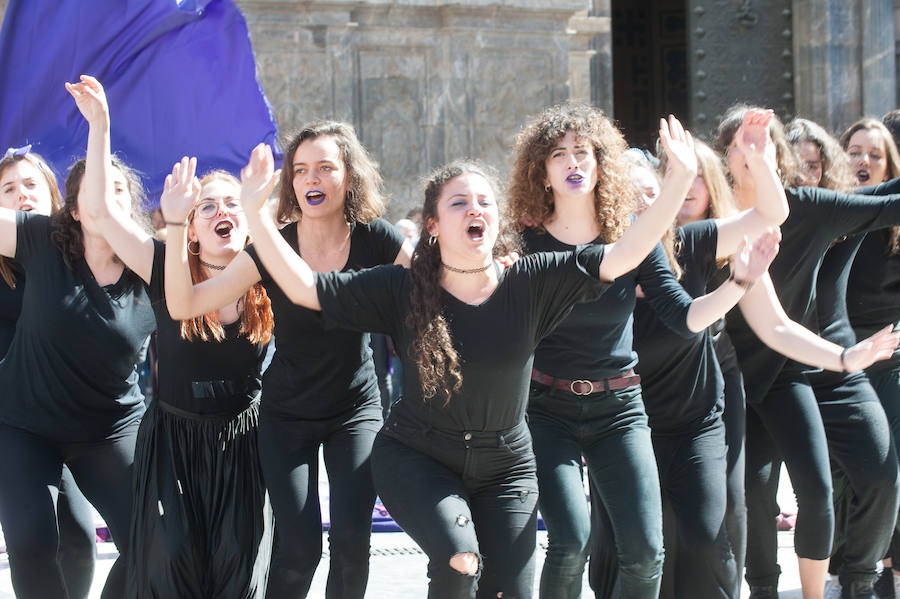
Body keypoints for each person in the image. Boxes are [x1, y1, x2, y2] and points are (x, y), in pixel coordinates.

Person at [232, 114, 700, 598]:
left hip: (507, 466)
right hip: (419, 457)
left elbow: (622, 256)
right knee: (460, 562)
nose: (474, 209)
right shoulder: (402, 288)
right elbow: (306, 288)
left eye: (484, 202)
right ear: (432, 224)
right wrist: (259, 217)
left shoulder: (532, 279)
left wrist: (678, 183)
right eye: (459, 203)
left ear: (497, 218)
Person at [506, 103, 786, 599]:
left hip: (619, 409)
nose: (573, 162)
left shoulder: (632, 236)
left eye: (583, 152)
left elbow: (685, 317)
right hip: (548, 410)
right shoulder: (524, 241)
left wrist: (740, 281)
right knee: (571, 540)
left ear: (600, 164)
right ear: (542, 172)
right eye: (559, 155)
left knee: (646, 552)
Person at [163, 121, 413, 599]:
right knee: (299, 551)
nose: (311, 179)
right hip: (287, 415)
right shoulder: (273, 245)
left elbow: (433, 280)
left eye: (325, 168)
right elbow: (185, 305)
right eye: (300, 170)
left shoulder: (375, 238)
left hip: (355, 409)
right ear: (291, 183)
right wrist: (177, 225)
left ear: (349, 177)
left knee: (351, 544)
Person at [717, 105, 900, 599]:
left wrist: (845, 358)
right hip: (738, 377)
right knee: (751, 491)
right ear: (725, 157)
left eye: (763, 147)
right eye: (740, 147)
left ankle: (850, 585)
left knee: (851, 481)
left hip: (806, 371)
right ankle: (764, 590)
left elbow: (885, 202)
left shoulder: (813, 207)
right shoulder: (714, 217)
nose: (753, 157)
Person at [0, 74, 156, 599]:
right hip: (25, 424)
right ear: (73, 207)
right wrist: (100, 124)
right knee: (32, 540)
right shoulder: (42, 241)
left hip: (107, 427)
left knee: (157, 540)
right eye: (90, 192)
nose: (102, 201)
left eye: (114, 189)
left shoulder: (151, 263)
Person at [0, 145, 98, 599]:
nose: (21, 195)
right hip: (13, 422)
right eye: (8, 189)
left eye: (30, 185)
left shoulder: (81, 252)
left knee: (78, 537)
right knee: (31, 541)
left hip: (74, 414)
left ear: (54, 194)